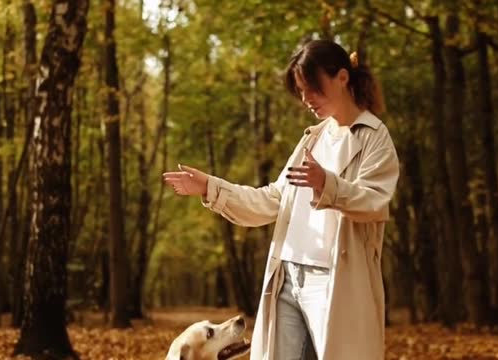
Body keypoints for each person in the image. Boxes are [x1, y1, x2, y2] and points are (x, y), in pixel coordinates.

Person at [163, 39, 399, 360]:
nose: (306, 99)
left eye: (312, 88)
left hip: (333, 284)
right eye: (300, 91)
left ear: (342, 78)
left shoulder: (374, 136)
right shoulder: (311, 139)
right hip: (286, 278)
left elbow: (374, 201)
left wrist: (327, 184)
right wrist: (210, 188)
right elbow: (272, 200)